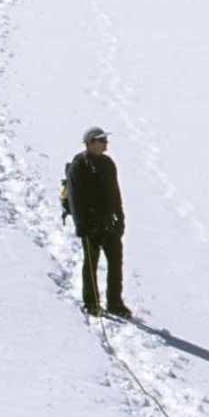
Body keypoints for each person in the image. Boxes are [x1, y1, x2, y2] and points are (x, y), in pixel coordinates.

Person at [66, 127, 131, 318]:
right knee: (91, 263)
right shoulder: (79, 165)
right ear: (90, 142)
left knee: (115, 262)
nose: (105, 143)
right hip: (90, 224)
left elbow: (115, 193)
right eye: (101, 140)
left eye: (105, 140)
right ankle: (92, 303)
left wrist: (120, 218)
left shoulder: (108, 163)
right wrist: (82, 226)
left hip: (109, 223)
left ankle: (115, 302)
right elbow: (75, 198)